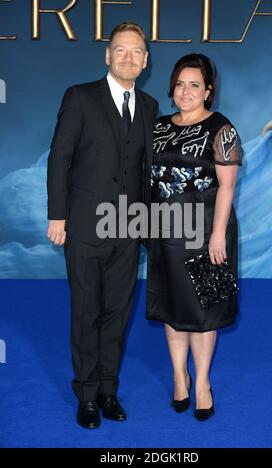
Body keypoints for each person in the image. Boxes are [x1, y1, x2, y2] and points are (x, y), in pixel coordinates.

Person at [47, 22, 158, 429]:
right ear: (107, 56)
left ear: (146, 61)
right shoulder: (79, 97)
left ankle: (109, 390)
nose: (129, 58)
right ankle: (87, 394)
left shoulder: (148, 106)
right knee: (86, 311)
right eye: (121, 50)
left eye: (137, 52)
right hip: (84, 227)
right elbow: (59, 158)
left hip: (128, 229)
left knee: (117, 312)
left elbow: (146, 170)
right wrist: (57, 216)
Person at [147, 54, 243, 421]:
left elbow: (227, 185)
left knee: (205, 311)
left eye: (195, 85)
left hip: (206, 232)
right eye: (180, 84)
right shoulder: (157, 127)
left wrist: (218, 234)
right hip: (165, 233)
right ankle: (179, 377)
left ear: (208, 90)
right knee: (173, 309)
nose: (186, 92)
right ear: (172, 87)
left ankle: (202, 382)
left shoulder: (221, 128)